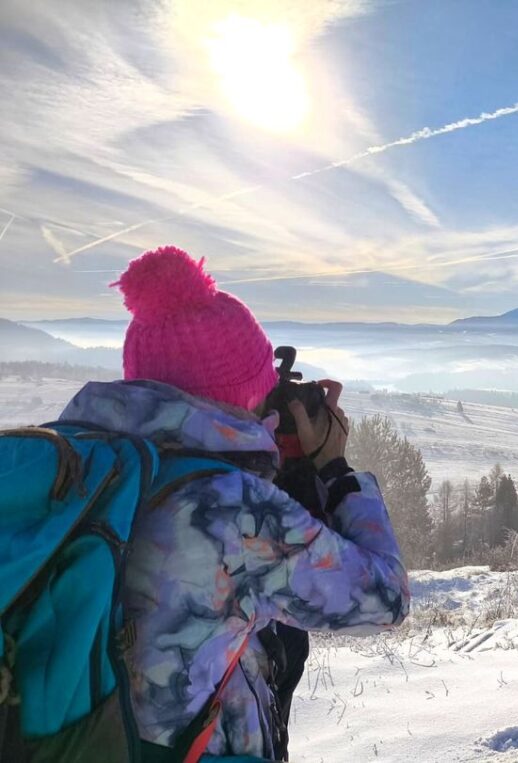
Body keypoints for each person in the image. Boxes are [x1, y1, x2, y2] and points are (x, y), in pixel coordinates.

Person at [57, 246, 409, 760]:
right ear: (242, 398)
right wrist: (335, 471)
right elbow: (386, 599)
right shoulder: (232, 512)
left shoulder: (74, 463)